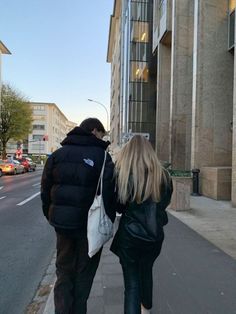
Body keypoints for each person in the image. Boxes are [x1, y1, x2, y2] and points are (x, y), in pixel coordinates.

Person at [41, 118, 116, 314]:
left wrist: (53, 217)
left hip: (63, 226)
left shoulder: (56, 156)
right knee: (84, 273)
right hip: (89, 228)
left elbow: (45, 192)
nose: (102, 137)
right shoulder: (102, 157)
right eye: (101, 134)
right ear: (94, 131)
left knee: (64, 271)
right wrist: (107, 221)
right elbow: (109, 194)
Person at [110, 135, 173, 314]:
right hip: (154, 235)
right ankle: (146, 309)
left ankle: (142, 308)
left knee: (131, 284)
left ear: (128, 152)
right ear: (149, 152)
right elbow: (164, 203)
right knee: (146, 270)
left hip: (129, 236)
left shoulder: (122, 174)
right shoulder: (163, 175)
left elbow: (119, 207)